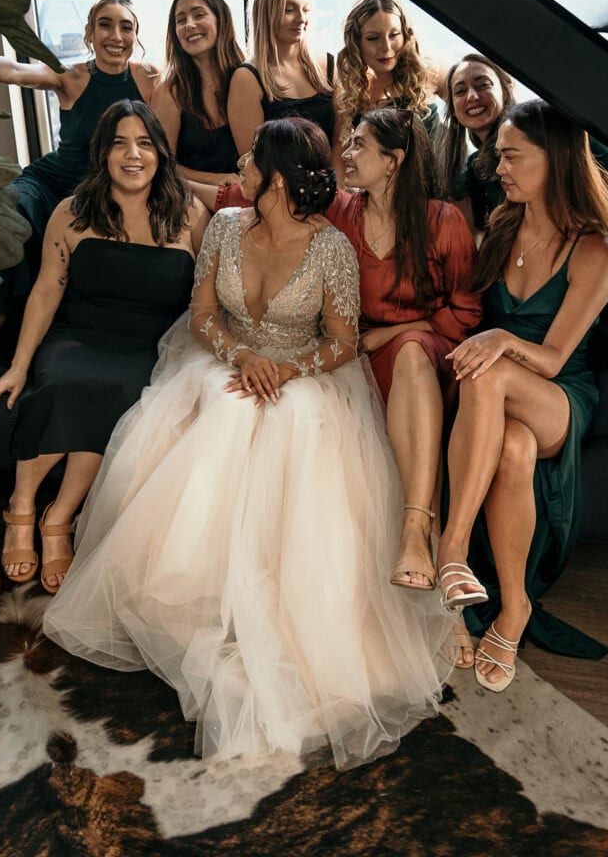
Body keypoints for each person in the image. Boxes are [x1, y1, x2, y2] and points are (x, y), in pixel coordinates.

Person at [44, 117, 454, 769]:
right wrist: (240, 359)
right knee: (228, 414)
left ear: (280, 172)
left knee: (292, 421)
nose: (240, 161)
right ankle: (187, 591)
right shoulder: (228, 227)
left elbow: (343, 340)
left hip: (304, 372)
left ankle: (276, 605)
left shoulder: (330, 250)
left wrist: (288, 369)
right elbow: (202, 315)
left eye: (252, 156)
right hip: (227, 362)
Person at [190, 110, 482, 667]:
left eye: (359, 144)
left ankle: (431, 572)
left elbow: (466, 312)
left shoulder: (442, 221)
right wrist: (158, 170)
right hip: (344, 356)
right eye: (345, 142)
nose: (345, 153)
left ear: (393, 162)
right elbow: (257, 194)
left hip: (413, 350)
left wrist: (393, 333)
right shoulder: (337, 210)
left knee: (414, 368)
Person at [0, 100, 207, 593]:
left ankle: (56, 516)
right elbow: (45, 291)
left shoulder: (190, 212)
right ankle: (21, 506)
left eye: (145, 143)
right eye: (119, 143)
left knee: (123, 392)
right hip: (79, 336)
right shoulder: (71, 211)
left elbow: (208, 298)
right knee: (64, 381)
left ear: (160, 153)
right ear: (102, 151)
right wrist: (19, 366)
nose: (133, 155)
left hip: (149, 345)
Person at [437, 100, 608, 689]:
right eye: (498, 155)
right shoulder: (503, 225)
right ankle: (514, 608)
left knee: (488, 376)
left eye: (513, 155)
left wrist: (497, 337)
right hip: (509, 409)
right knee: (512, 448)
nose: (499, 167)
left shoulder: (595, 249)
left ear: (557, 159)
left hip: (560, 396)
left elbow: (551, 358)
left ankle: (452, 546)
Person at [0, 0, 160, 396]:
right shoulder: (72, 76)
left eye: (126, 26)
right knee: (6, 212)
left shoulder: (150, 79)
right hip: (50, 181)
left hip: (97, 192)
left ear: (136, 35)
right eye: (105, 24)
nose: (116, 35)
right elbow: (13, 70)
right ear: (89, 33)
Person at [438, 53, 608, 392]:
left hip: (599, 280)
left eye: (482, 84)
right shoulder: (474, 173)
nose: (471, 96)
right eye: (459, 90)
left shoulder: (555, 128)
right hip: (531, 306)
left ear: (504, 87)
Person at [227, 0, 335, 155]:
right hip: (277, 184)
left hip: (332, 182)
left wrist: (332, 184)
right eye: (289, 9)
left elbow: (341, 145)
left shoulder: (329, 65)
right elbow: (253, 162)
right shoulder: (247, 78)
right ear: (265, 11)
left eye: (306, 9)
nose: (301, 18)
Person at [333, 0, 441, 175]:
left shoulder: (429, 72)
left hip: (432, 193)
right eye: (373, 38)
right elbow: (339, 154)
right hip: (378, 198)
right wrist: (343, 202)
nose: (386, 47)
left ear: (405, 35)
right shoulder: (350, 90)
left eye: (394, 34)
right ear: (356, 42)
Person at [149, 0, 245, 187]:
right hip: (194, 196)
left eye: (199, 15)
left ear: (221, 19)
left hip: (247, 191)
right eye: (181, 20)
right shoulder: (170, 91)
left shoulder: (246, 77)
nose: (189, 25)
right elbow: (161, 163)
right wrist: (219, 180)